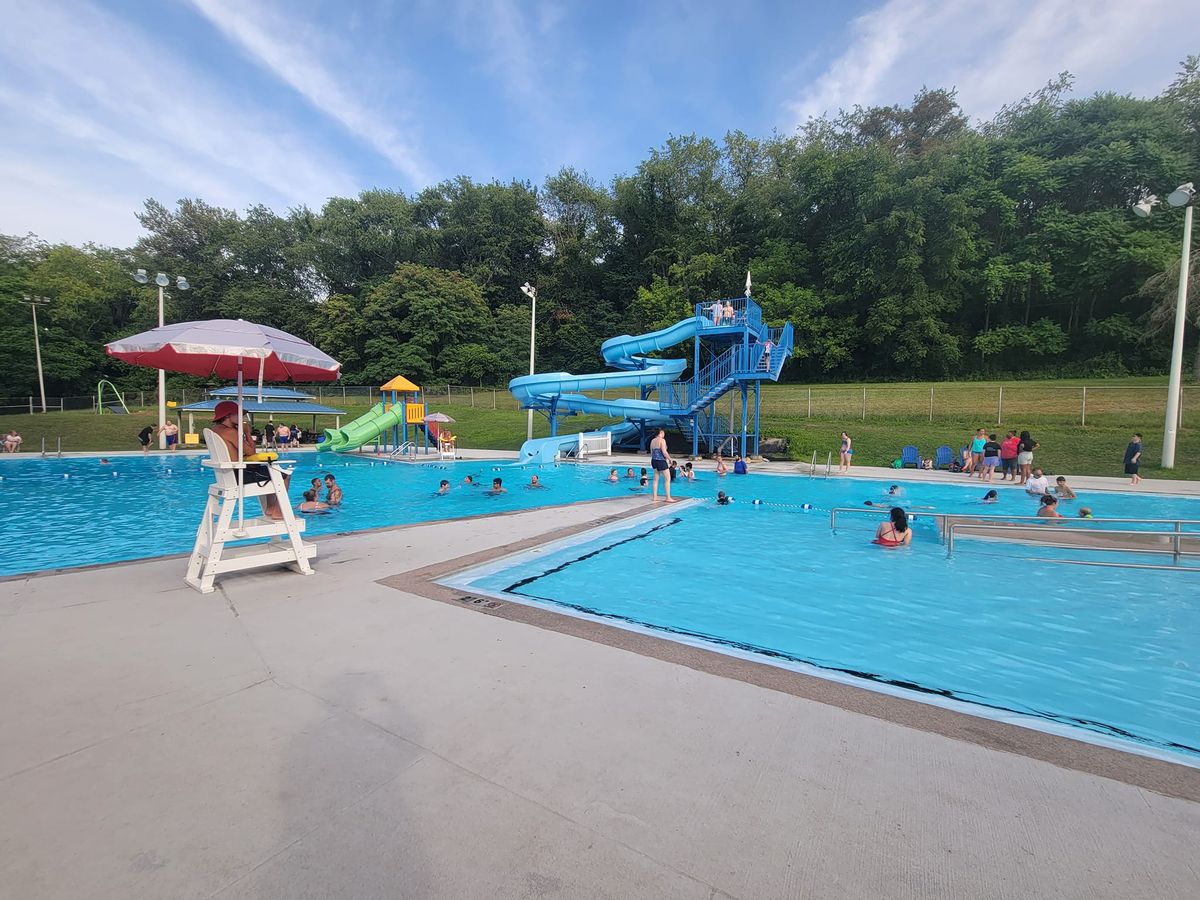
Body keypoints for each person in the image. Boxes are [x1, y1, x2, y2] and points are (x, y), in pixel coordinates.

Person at [211, 400, 289, 519]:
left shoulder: (215, 430)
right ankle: (276, 511)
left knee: (269, 470)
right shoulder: (230, 431)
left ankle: (270, 508)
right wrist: (247, 432)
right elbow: (251, 452)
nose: (241, 417)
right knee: (283, 475)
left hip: (226, 475)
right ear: (227, 416)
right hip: (238, 475)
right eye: (238, 414)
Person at [649, 427, 675, 502]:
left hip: (654, 460)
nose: (664, 434)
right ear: (660, 433)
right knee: (667, 479)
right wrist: (670, 459)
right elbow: (664, 452)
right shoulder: (662, 440)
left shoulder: (652, 441)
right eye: (663, 433)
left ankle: (654, 497)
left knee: (655, 479)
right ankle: (668, 497)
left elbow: (651, 452)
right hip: (661, 461)